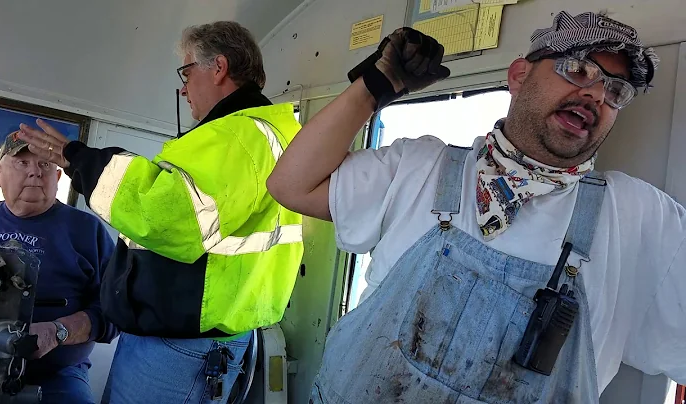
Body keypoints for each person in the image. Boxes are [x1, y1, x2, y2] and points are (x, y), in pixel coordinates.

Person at [267, 10, 686, 403]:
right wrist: (373, 88)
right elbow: (293, 186)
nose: (595, 93)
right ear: (519, 76)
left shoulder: (637, 217)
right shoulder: (420, 168)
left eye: (616, 90)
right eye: (577, 69)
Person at [17, 21, 304, 403]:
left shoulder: (238, 135)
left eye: (187, 72)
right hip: (202, 337)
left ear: (218, 68)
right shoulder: (268, 133)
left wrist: (81, 161)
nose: (183, 88)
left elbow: (165, 216)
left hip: (181, 349)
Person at [0, 131, 118, 404]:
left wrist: (58, 332)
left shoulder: (87, 231)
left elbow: (115, 310)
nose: (35, 172)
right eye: (21, 162)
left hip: (56, 375)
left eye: (45, 164)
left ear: (58, 178)